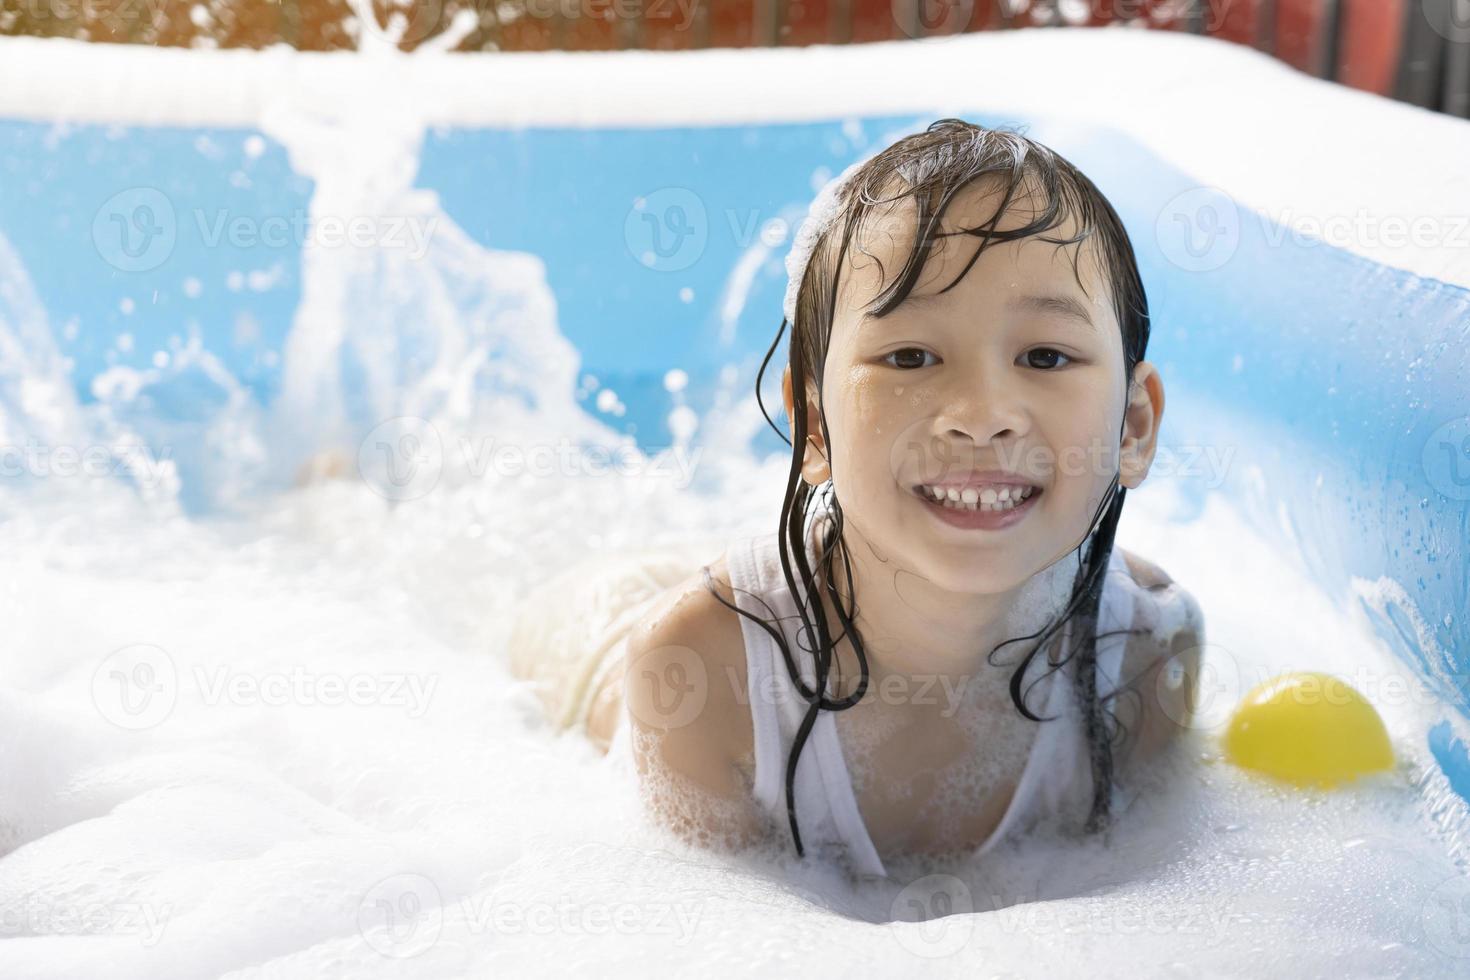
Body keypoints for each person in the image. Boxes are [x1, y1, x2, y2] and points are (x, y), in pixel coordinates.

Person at [508, 118, 1205, 879]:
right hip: (595, 636)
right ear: (812, 425)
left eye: (1046, 355)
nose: (981, 413)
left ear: (1134, 426)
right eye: (910, 355)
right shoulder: (700, 676)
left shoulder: (1143, 653)